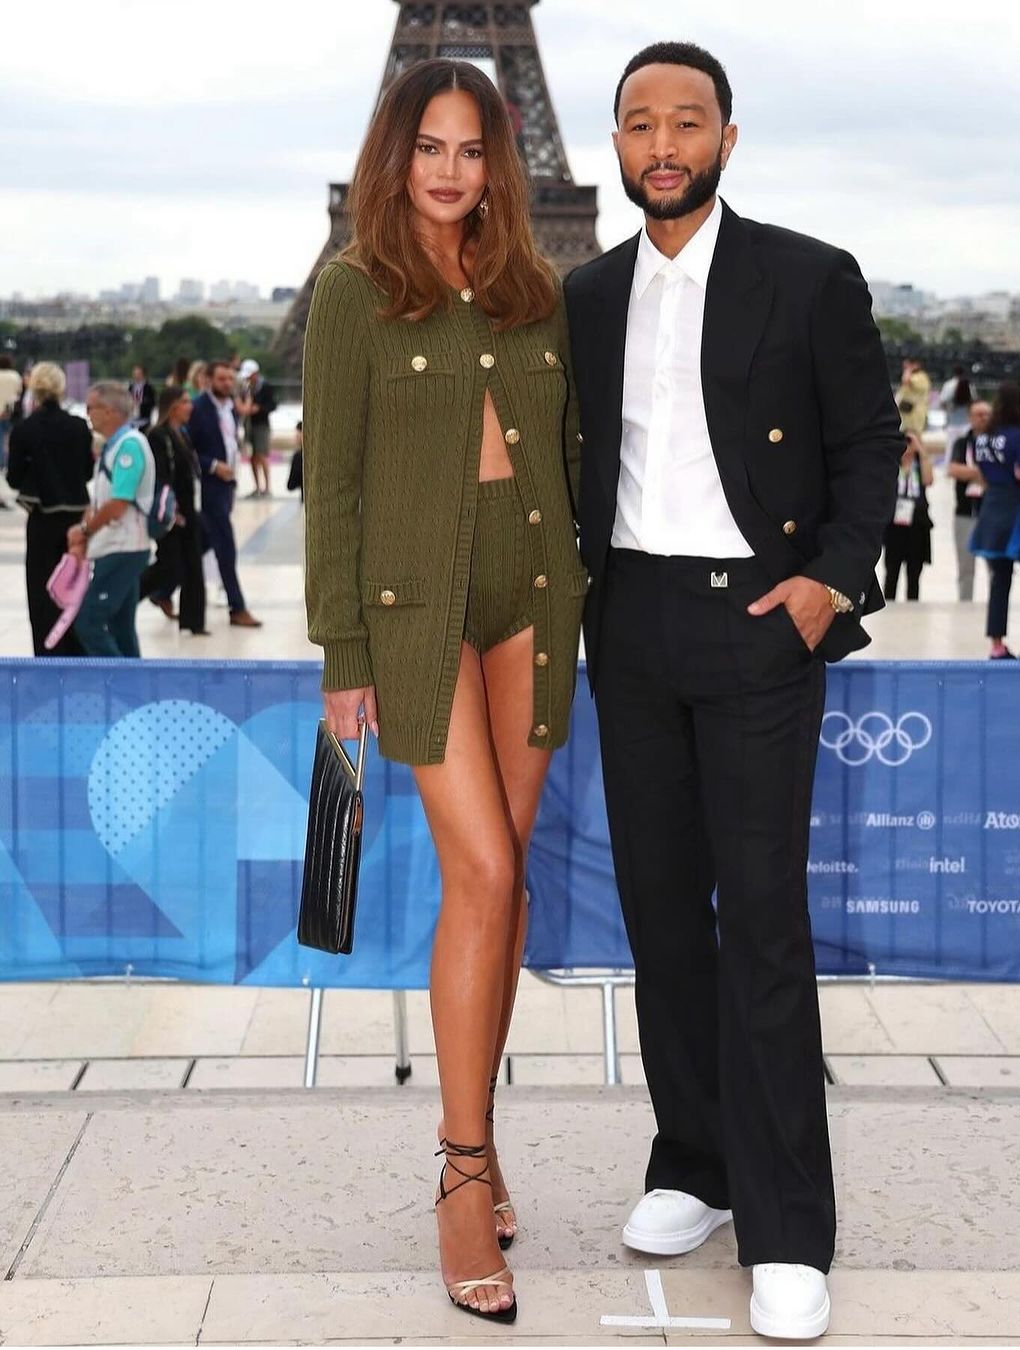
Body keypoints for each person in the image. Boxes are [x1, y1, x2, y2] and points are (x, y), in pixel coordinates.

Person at [563, 41, 903, 1342]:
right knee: (661, 915)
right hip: (633, 624)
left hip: (759, 624)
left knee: (760, 920)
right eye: (640, 121)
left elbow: (869, 443)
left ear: (726, 137)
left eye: (685, 120)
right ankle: (695, 1161)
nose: (663, 141)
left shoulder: (807, 277)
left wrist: (830, 581)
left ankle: (789, 1221)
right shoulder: (586, 296)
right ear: (615, 143)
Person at [304, 58, 585, 1325]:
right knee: (481, 873)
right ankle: (463, 1172)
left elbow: (574, 454)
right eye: (431, 147)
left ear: (499, 165)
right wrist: (340, 655)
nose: (452, 172)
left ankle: (478, 1128)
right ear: (394, 151)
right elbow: (339, 488)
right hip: (416, 615)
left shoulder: (534, 290)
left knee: (509, 874)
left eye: (474, 151)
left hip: (533, 595)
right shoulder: (354, 291)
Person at [5, 362, 94, 655]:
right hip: (76, 521)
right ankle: (75, 648)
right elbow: (87, 471)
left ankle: (47, 651)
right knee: (74, 585)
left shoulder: (24, 430)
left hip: (42, 518)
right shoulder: (79, 427)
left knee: (43, 589)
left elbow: (14, 477)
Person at [67, 382, 155, 658]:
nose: (87, 414)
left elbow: (118, 504)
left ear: (109, 411)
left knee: (89, 622)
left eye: (91, 408)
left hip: (123, 548)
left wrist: (85, 530)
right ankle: (134, 691)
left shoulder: (129, 447)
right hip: (116, 546)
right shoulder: (114, 447)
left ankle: (120, 687)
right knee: (121, 627)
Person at [969, 381, 1020, 659]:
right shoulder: (1018, 436)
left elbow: (982, 476)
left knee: (1000, 578)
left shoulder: (981, 438)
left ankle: (997, 645)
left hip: (991, 511)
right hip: (1017, 516)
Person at [187, 361, 262, 628]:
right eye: (221, 379)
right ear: (208, 380)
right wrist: (213, 465)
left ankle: (161, 588)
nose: (227, 384)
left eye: (230, 379)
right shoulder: (198, 409)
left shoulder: (230, 408)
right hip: (210, 486)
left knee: (203, 543)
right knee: (226, 546)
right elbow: (187, 449)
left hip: (226, 485)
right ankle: (237, 606)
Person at [142, 386, 207, 634]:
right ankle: (132, 594)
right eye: (184, 402)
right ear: (172, 406)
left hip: (190, 509)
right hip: (171, 512)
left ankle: (193, 621)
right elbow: (160, 475)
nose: (190, 406)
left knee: (193, 564)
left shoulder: (183, 434)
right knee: (170, 564)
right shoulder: (158, 436)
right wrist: (173, 509)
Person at [882, 432, 934, 601]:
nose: (907, 448)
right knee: (892, 570)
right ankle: (889, 603)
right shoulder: (891, 465)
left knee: (914, 571)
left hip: (917, 523)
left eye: (910, 444)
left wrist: (921, 451)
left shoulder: (920, 465)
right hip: (895, 523)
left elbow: (928, 480)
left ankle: (913, 603)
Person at [946, 400, 990, 599]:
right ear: (970, 417)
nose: (983, 418)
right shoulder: (962, 443)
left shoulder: (996, 443)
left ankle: (996, 605)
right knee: (965, 566)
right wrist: (981, 473)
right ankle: (965, 603)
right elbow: (953, 469)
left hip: (990, 512)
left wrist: (971, 473)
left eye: (986, 414)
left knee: (995, 565)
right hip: (965, 511)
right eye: (978, 414)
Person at [238, 358, 276, 497]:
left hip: (261, 425)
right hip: (249, 424)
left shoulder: (265, 386)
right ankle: (257, 487)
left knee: (262, 454)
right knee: (252, 456)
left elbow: (272, 405)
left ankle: (267, 487)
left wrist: (259, 408)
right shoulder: (245, 388)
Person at [938, 364, 973, 448]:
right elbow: (972, 401)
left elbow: (942, 402)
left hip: (952, 422)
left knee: (951, 448)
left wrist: (949, 410)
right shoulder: (969, 385)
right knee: (966, 449)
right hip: (966, 422)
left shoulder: (948, 385)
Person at [896, 357, 930, 434]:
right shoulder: (914, 376)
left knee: (912, 435)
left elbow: (906, 381)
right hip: (907, 411)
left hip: (914, 412)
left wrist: (908, 370)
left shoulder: (920, 377)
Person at [129, 364, 156, 430]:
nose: (136, 376)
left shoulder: (149, 388)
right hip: (132, 418)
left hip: (144, 418)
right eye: (135, 374)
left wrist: (140, 402)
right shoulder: (131, 387)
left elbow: (153, 402)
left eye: (138, 374)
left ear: (143, 375)